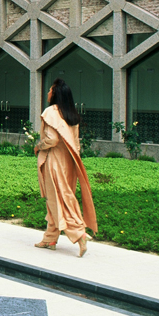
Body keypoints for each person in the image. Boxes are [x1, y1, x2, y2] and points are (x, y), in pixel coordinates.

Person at [34, 78, 98, 257]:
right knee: (61, 198)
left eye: (50, 90)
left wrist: (39, 146)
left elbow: (52, 140)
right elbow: (76, 143)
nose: (47, 93)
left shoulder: (51, 112)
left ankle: (79, 235)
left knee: (57, 200)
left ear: (55, 94)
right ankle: (50, 239)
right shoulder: (71, 114)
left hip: (54, 161)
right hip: (68, 162)